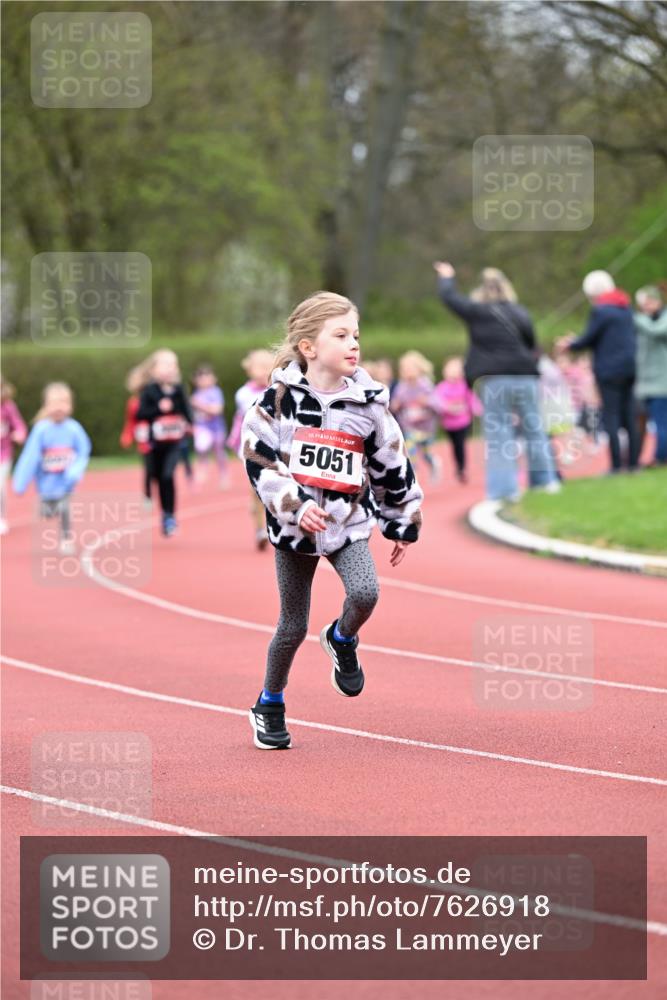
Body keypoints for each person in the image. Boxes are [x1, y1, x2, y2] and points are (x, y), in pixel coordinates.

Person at [241, 291, 424, 749]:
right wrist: (298, 507)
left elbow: (392, 465)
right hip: (295, 532)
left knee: (365, 592)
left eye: (356, 335)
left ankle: (342, 638)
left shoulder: (369, 406)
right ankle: (270, 703)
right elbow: (259, 462)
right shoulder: (276, 402)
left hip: (346, 523)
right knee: (292, 626)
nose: (353, 344)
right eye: (340, 335)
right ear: (308, 347)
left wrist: (401, 522)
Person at [434, 262, 559, 501]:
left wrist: (447, 277)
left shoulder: (477, 311)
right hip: (525, 376)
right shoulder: (520, 312)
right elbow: (531, 344)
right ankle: (545, 482)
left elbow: (449, 298)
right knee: (534, 428)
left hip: (494, 380)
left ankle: (505, 490)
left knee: (499, 432)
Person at [557, 270, 639, 474]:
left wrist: (571, 344)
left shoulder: (601, 311)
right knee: (629, 416)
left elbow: (589, 338)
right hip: (629, 368)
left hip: (609, 370)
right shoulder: (625, 308)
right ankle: (634, 464)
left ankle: (617, 466)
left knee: (610, 416)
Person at [12, 382, 91, 554]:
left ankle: (66, 538)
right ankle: (49, 510)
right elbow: (30, 456)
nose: (59, 408)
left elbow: (84, 450)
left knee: (64, 508)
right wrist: (21, 482)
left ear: (70, 405)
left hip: (65, 481)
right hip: (46, 481)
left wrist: (75, 471)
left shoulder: (74, 429)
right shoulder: (41, 429)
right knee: (48, 511)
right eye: (54, 403)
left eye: (63, 403)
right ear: (46, 405)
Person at [136, 350, 193, 536]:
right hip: (155, 444)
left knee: (168, 476)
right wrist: (158, 409)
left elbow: (187, 412)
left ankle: (169, 515)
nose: (171, 368)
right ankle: (162, 510)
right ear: (153, 370)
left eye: (173, 364)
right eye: (166, 364)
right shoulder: (149, 391)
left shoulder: (178, 390)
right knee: (156, 476)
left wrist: (189, 424)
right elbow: (141, 413)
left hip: (174, 443)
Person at [227, 349, 274, 550]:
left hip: (274, 447)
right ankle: (260, 529)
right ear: (249, 369)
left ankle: (273, 526)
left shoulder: (278, 389)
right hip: (252, 448)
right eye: (260, 367)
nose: (264, 372)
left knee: (274, 489)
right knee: (256, 491)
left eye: (268, 367)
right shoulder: (244, 394)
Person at [391, 351, 441, 483]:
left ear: (420, 369)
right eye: (404, 368)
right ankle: (414, 475)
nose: (406, 371)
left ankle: (433, 463)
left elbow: (438, 404)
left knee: (426, 454)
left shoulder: (426, 385)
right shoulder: (401, 387)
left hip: (426, 428)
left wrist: (427, 401)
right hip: (410, 427)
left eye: (410, 368)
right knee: (410, 450)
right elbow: (395, 404)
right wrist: (395, 405)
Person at [430, 357, 482, 483]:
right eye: (450, 368)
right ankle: (458, 466)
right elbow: (437, 401)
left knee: (460, 444)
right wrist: (446, 407)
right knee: (454, 446)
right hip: (449, 423)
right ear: (445, 371)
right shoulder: (442, 387)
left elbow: (472, 400)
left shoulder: (464, 386)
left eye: (456, 368)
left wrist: (478, 410)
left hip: (463, 421)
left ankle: (462, 468)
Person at [634, 286, 667, 466]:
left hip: (662, 384)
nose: (647, 307)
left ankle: (661, 458)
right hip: (645, 386)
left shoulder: (659, 321)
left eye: (650, 302)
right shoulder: (645, 322)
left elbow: (656, 331)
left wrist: (636, 318)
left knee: (662, 423)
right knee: (645, 424)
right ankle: (636, 458)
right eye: (643, 304)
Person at [120, 359, 153, 506]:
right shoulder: (133, 402)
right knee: (148, 467)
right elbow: (130, 421)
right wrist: (127, 435)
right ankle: (147, 495)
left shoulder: (155, 397)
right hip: (144, 439)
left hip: (158, 437)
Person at [190, 364, 229, 488]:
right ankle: (203, 467)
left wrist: (199, 405)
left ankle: (224, 474)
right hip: (202, 427)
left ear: (213, 379)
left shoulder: (215, 392)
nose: (204, 380)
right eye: (201, 378)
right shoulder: (196, 394)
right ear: (196, 381)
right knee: (201, 447)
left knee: (219, 452)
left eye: (207, 377)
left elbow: (217, 410)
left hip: (217, 428)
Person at [0, 376, 27, 534]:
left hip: (3, 454)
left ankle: (1, 517)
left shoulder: (7, 407)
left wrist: (19, 434)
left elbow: (19, 424)